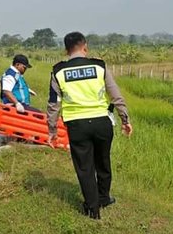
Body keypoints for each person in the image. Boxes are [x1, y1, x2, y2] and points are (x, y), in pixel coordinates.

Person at [47, 32, 133, 220]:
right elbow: (115, 95)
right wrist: (125, 120)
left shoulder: (58, 71)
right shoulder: (99, 66)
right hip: (102, 122)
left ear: (65, 49)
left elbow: (54, 104)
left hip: (77, 125)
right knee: (103, 161)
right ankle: (104, 198)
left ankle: (92, 209)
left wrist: (52, 130)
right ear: (85, 46)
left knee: (85, 167)